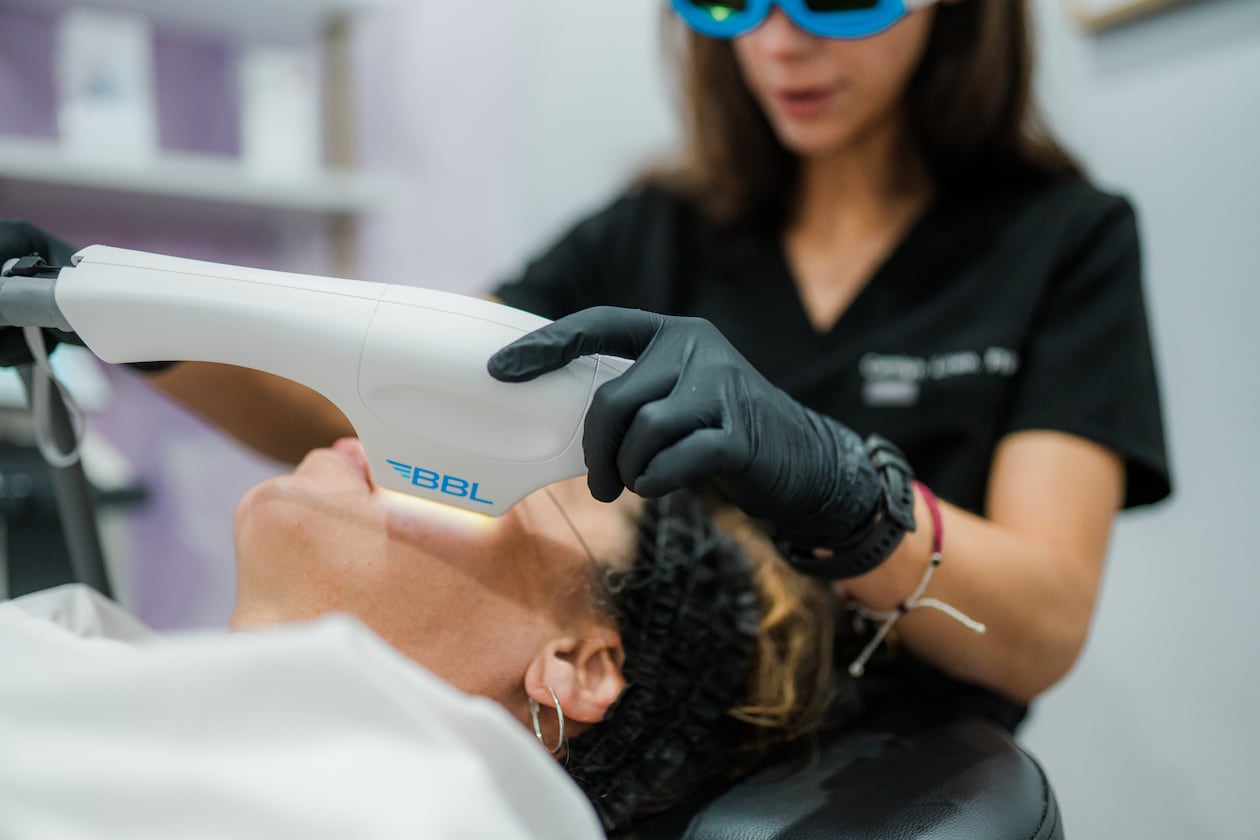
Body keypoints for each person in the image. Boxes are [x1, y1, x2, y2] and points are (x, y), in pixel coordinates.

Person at [0, 0, 1172, 821]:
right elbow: (391, 398)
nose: (780, 40)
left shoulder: (1060, 240)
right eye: (733, 0)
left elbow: (1043, 623)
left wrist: (840, 490)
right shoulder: (646, 233)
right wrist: (111, 313)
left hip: (879, 786)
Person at [0, 438, 835, 837]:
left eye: (501, 477)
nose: (397, 437)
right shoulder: (70, 638)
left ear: (576, 668)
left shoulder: (417, 817)